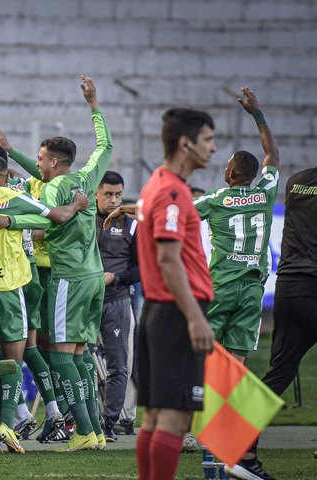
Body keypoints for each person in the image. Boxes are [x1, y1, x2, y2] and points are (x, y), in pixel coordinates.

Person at [0, 76, 113, 451]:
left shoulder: (55, 189)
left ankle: (85, 430)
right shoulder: (87, 176)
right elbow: (105, 144)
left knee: (58, 356)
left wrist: (7, 221)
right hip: (94, 278)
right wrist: (94, 105)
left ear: (54, 162)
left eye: (40, 159)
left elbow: (47, 218)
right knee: (79, 355)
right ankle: (97, 432)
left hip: (68, 280)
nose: (36, 164)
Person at [0, 155, 89, 454]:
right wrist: (78, 206)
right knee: (15, 357)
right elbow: (56, 216)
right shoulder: (14, 196)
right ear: (6, 176)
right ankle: (7, 423)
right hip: (8, 287)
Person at [226, 133, 315, 480]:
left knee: (278, 373)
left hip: (289, 288)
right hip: (313, 287)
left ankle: (241, 452)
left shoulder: (297, 182)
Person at [134, 108, 216, 480]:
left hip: (158, 309)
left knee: (155, 415)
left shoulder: (156, 182)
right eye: (208, 140)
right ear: (186, 144)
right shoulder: (172, 191)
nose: (213, 149)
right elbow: (168, 258)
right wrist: (195, 317)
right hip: (174, 312)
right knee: (173, 415)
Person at [193, 87, 279, 363]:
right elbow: (273, 155)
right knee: (236, 360)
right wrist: (258, 114)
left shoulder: (217, 199)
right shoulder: (265, 193)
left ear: (230, 173)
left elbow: (173, 212)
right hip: (253, 287)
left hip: (222, 286)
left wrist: (131, 207)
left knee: (208, 355)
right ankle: (229, 407)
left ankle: (202, 404)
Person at [93, 171, 139, 443]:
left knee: (119, 367)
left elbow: (143, 268)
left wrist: (116, 278)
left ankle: (109, 421)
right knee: (74, 362)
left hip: (116, 301)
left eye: (118, 195)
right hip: (83, 301)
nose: (113, 200)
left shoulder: (132, 226)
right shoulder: (84, 219)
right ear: (96, 193)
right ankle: (81, 420)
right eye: (108, 194)